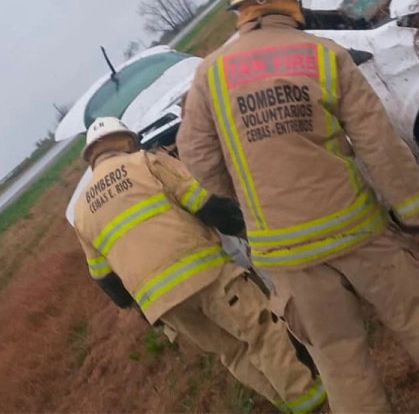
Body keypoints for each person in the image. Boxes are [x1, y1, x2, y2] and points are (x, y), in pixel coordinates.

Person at [177, 0, 419, 413]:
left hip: (284, 250)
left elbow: (199, 159)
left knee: (337, 356)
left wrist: (248, 192)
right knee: (417, 316)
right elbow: (379, 145)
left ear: (241, 11)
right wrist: (418, 218)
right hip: (356, 229)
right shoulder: (324, 56)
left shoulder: (209, 75)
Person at [72, 117, 325, 413]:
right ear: (126, 140)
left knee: (232, 352)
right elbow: (205, 202)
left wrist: (147, 310)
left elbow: (106, 280)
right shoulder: (145, 163)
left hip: (161, 303)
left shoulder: (81, 212)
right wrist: (244, 229)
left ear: (92, 155)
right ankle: (311, 399)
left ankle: (288, 403)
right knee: (260, 332)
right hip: (205, 274)